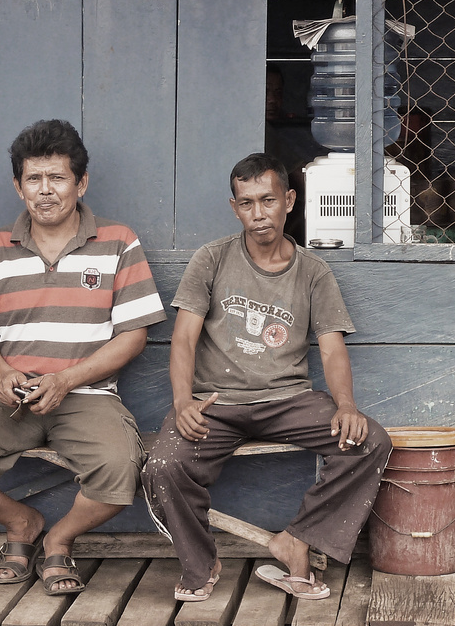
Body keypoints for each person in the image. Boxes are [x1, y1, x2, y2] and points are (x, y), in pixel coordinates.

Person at [0, 119, 166, 594]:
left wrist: (67, 380)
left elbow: (133, 336)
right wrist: (5, 373)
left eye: (57, 178)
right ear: (18, 186)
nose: (45, 191)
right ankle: (22, 523)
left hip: (88, 395)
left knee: (120, 472)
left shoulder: (117, 241)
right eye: (34, 179)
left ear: (80, 183)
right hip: (13, 396)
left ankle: (59, 539)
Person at [142, 153, 392, 602]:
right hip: (216, 404)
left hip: (289, 401)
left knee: (371, 440)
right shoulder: (212, 260)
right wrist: (182, 401)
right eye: (247, 203)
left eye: (268, 200)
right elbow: (182, 340)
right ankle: (201, 563)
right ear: (235, 207)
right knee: (162, 464)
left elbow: (332, 347)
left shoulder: (313, 272)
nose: (258, 214)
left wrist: (347, 405)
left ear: (289, 201)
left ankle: (297, 539)